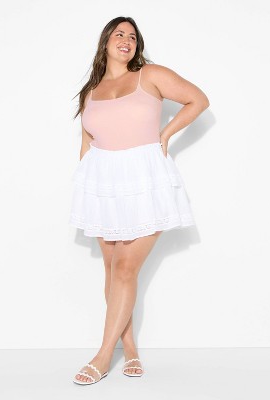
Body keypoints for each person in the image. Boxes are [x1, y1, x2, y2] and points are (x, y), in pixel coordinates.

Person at [69, 16, 209, 385]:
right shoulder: (91, 91)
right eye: (119, 34)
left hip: (145, 181)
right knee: (112, 269)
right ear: (105, 42)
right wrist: (85, 191)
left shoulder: (151, 75)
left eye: (132, 36)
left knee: (126, 269)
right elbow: (86, 144)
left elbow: (198, 99)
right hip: (103, 184)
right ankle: (128, 348)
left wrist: (165, 134)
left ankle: (102, 356)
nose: (126, 40)